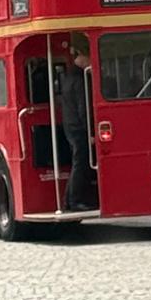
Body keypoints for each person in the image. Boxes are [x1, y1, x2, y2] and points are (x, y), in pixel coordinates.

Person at [60, 36, 94, 212]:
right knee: (81, 163)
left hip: (71, 126)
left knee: (78, 162)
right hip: (79, 128)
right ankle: (75, 200)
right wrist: (91, 131)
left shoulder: (69, 77)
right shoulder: (80, 79)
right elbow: (84, 108)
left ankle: (68, 200)